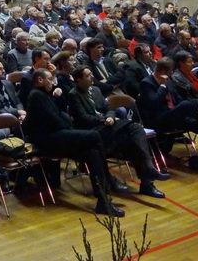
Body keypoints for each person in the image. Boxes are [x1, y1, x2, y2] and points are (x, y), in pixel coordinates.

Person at [23, 68, 124, 216]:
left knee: (93, 153)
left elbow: (61, 112)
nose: (53, 82)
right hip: (46, 141)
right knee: (94, 136)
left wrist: (57, 97)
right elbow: (54, 120)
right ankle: (108, 179)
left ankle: (103, 200)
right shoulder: (37, 95)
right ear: (40, 80)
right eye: (50, 79)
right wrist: (72, 130)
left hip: (56, 136)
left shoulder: (45, 94)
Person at [68, 65, 168, 197]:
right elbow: (83, 118)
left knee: (134, 139)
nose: (92, 77)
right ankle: (148, 172)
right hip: (93, 132)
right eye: (87, 75)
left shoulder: (96, 90)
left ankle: (146, 183)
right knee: (134, 128)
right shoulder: (73, 95)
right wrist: (105, 120)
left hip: (108, 127)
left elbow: (108, 107)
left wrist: (109, 116)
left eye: (91, 74)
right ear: (78, 80)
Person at [138, 58, 198, 180]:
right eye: (170, 72)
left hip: (176, 116)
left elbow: (178, 99)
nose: (171, 74)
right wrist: (163, 86)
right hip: (159, 120)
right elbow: (153, 103)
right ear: (163, 71)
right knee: (186, 105)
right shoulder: (147, 83)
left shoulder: (168, 80)